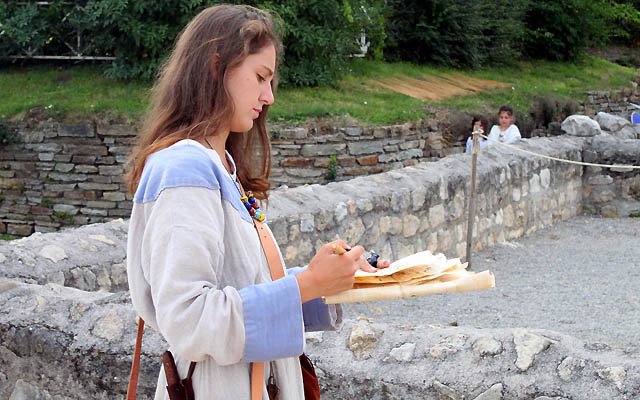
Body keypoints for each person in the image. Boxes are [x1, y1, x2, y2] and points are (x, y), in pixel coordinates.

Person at [124, 5, 389, 400]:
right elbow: (190, 319)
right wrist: (307, 282)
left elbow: (245, 289)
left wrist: (335, 280)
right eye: (260, 78)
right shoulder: (184, 167)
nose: (269, 96)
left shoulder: (220, 164)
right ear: (216, 69)